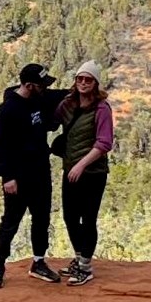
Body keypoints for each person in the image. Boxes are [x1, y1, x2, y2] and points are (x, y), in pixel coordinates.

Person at [0, 62, 64, 288]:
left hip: (40, 171)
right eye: (42, 85)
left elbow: (58, 96)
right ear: (30, 85)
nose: (46, 88)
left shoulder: (39, 99)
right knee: (11, 221)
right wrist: (7, 177)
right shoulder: (8, 110)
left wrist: (82, 90)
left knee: (41, 219)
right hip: (18, 177)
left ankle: (38, 262)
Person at [54, 62, 115, 283]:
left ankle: (86, 267)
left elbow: (104, 143)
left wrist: (81, 164)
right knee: (70, 216)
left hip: (93, 173)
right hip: (70, 170)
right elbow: (51, 118)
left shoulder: (102, 109)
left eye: (88, 80)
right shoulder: (68, 104)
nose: (83, 83)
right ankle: (79, 259)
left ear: (96, 83)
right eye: (80, 78)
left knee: (88, 218)